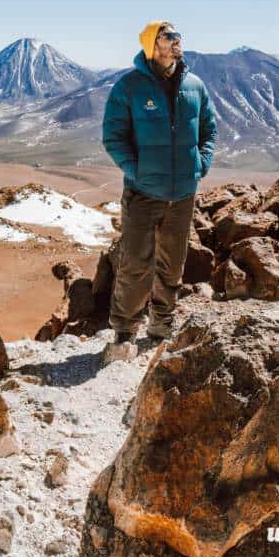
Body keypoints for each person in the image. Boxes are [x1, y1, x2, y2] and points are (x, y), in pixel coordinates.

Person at [102, 20, 217, 345]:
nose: (177, 40)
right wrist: (136, 170)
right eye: (168, 37)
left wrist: (201, 164)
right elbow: (113, 136)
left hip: (182, 194)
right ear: (152, 46)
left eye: (178, 35)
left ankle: (161, 327)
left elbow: (209, 129)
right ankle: (125, 332)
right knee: (136, 264)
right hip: (143, 193)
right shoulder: (130, 87)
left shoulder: (194, 85)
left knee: (172, 265)